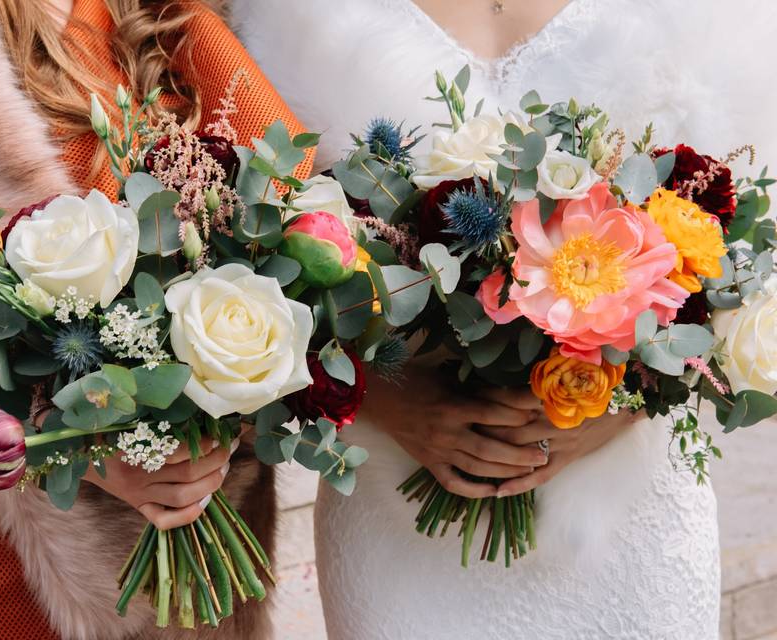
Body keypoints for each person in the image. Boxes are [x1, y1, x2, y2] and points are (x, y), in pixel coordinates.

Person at [229, 0, 777, 637]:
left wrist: (621, 404)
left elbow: (748, 258)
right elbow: (251, 259)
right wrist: (386, 404)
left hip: (623, 518)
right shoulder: (295, 15)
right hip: (398, 514)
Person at [0, 0, 311, 637]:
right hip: (16, 541)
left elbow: (294, 219)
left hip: (208, 534)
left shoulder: (180, 16)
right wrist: (87, 447)